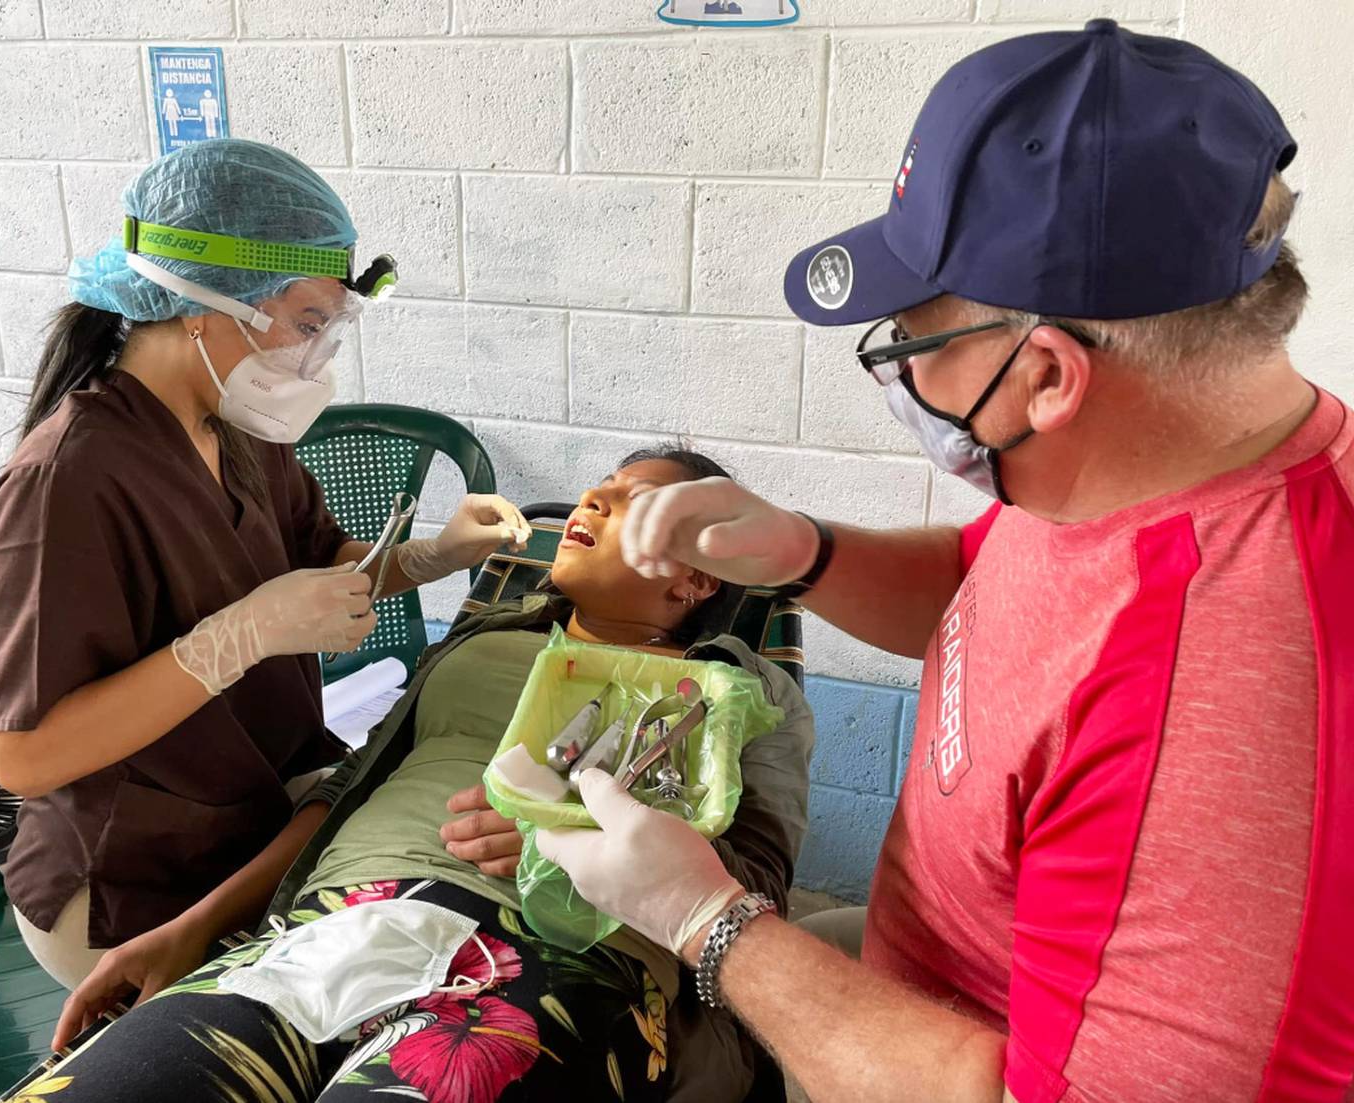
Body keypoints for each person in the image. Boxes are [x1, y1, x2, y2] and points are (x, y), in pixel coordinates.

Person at [537, 21, 1354, 1103]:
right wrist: (806, 552)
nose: (901, 379)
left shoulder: (1223, 705)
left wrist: (711, 921)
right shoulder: (1146, 464)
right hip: (914, 972)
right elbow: (994, 596)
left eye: (910, 344)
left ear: (1048, 375)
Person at [22, 446, 813, 1103]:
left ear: (697, 579)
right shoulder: (480, 641)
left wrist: (569, 845)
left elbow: (757, 891)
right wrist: (193, 927)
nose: (596, 496)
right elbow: (347, 789)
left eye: (636, 500)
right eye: (601, 483)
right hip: (332, 919)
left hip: (555, 955)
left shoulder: (738, 694)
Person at [0, 138, 531, 991]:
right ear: (204, 303)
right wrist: (232, 638)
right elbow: (22, 756)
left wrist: (431, 554)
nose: (317, 355)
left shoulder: (231, 424)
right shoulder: (68, 479)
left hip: (251, 808)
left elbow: (327, 569)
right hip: (133, 883)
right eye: (309, 324)